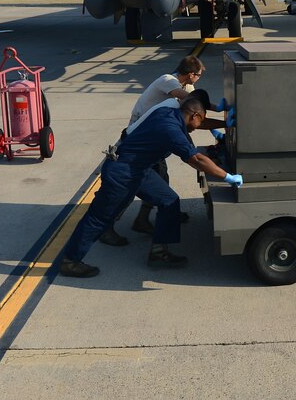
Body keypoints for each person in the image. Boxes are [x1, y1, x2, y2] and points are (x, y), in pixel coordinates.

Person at [60, 98, 243, 277]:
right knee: (99, 217)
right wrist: (227, 176)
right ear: (194, 115)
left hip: (140, 170)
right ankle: (70, 261)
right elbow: (196, 159)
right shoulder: (171, 130)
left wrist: (225, 123)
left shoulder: (168, 113)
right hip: (122, 172)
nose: (198, 126)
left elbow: (197, 125)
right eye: (200, 120)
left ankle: (159, 252)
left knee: (169, 200)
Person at [98, 56, 226, 246]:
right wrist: (221, 109)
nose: (198, 78)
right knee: (126, 188)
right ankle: (106, 228)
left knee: (160, 181)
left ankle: (144, 219)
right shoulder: (168, 81)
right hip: (138, 139)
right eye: (198, 75)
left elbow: (196, 109)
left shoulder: (187, 88)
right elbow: (192, 104)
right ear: (191, 74)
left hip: (157, 139)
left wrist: (225, 117)